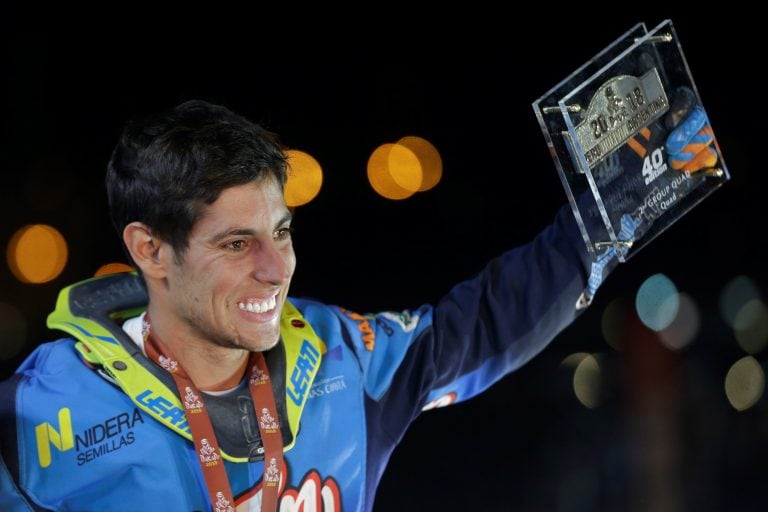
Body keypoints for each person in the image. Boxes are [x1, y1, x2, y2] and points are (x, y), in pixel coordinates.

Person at [0, 99, 715, 511]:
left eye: (281, 232)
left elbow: (488, 323)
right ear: (151, 251)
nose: (276, 269)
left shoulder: (337, 354)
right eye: (236, 244)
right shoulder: (41, 411)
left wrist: (615, 207)